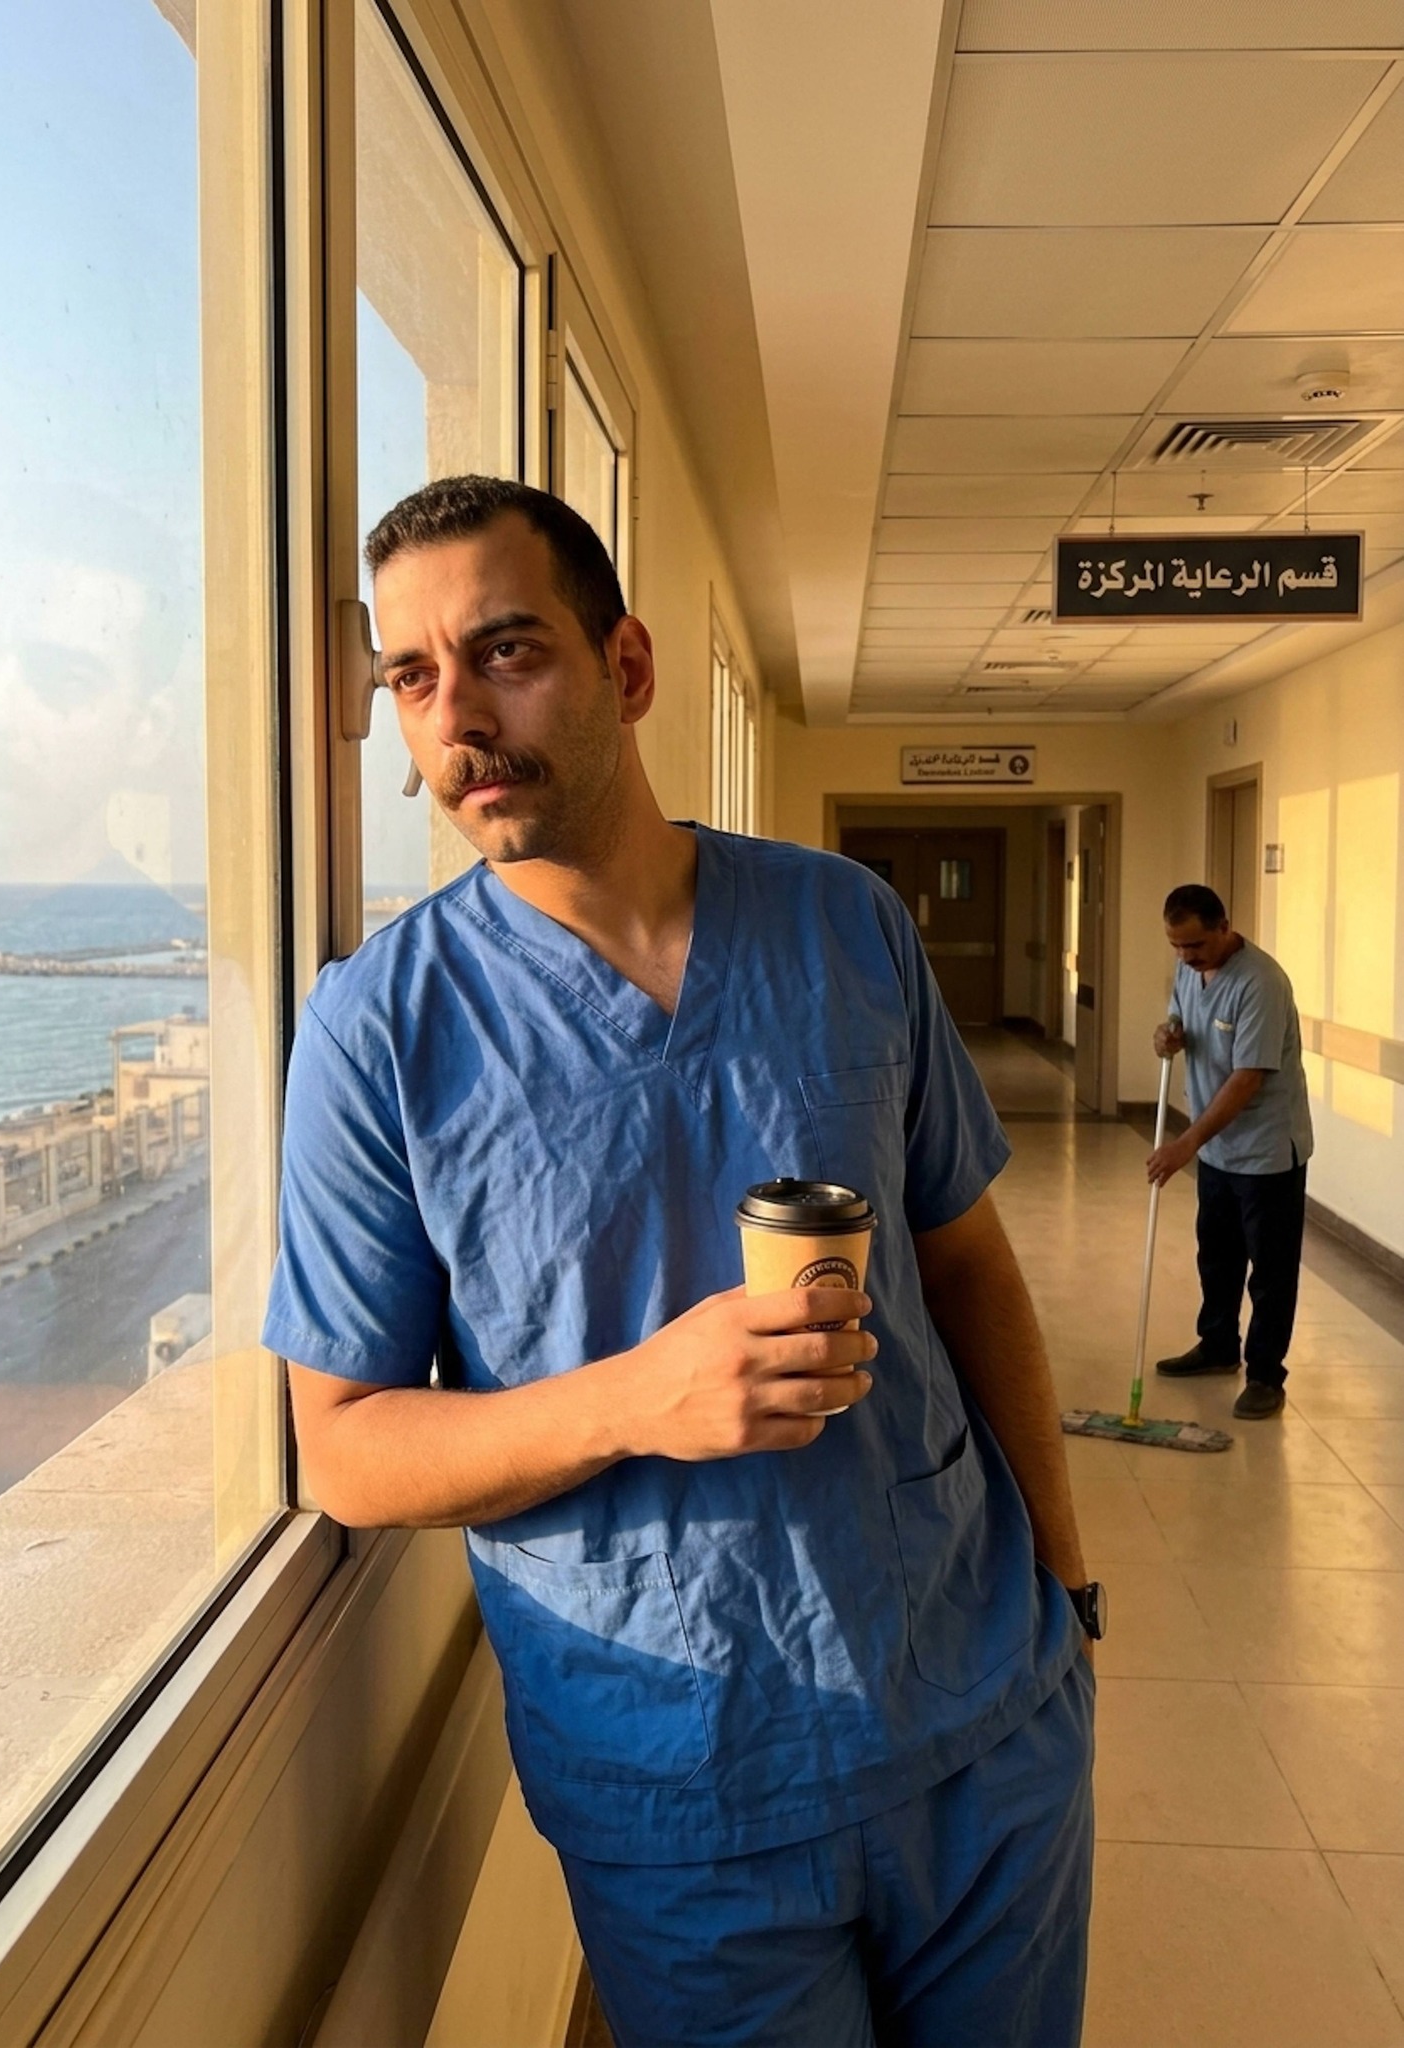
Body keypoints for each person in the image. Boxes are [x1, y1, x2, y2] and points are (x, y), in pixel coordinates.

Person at [262, 475, 1099, 2048]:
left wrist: (1063, 1585)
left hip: (984, 1721)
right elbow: (346, 1449)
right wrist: (634, 1399)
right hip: (680, 1791)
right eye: (412, 679)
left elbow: (969, 1263)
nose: (459, 721)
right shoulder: (379, 1034)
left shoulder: (844, 927)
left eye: (506, 653)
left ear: (627, 667)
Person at [1148, 883, 1314, 1421]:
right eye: (1176, 946)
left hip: (1266, 1151)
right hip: (1217, 1149)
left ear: (1224, 927)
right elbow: (1178, 1024)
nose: (1185, 956)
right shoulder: (1189, 970)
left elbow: (1247, 1079)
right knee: (1216, 1255)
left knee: (1270, 1268)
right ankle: (1218, 1345)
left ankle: (1266, 1374)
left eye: (1194, 945)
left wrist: (1184, 1143)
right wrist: (1166, 1038)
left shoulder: (1260, 982)